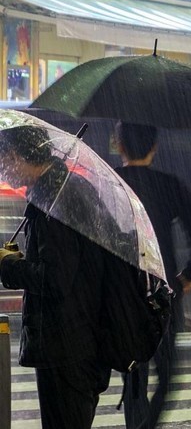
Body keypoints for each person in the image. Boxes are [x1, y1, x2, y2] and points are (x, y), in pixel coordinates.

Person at [0, 125, 111, 428]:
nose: (4, 174)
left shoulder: (55, 198)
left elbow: (55, 280)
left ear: (14, 156)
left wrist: (9, 266)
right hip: (80, 338)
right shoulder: (65, 189)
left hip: (66, 344)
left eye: (2, 164)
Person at [114, 121, 191, 429]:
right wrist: (188, 274)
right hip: (163, 289)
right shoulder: (170, 185)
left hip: (125, 291)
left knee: (134, 371)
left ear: (119, 146)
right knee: (167, 373)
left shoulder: (112, 184)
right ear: (154, 148)